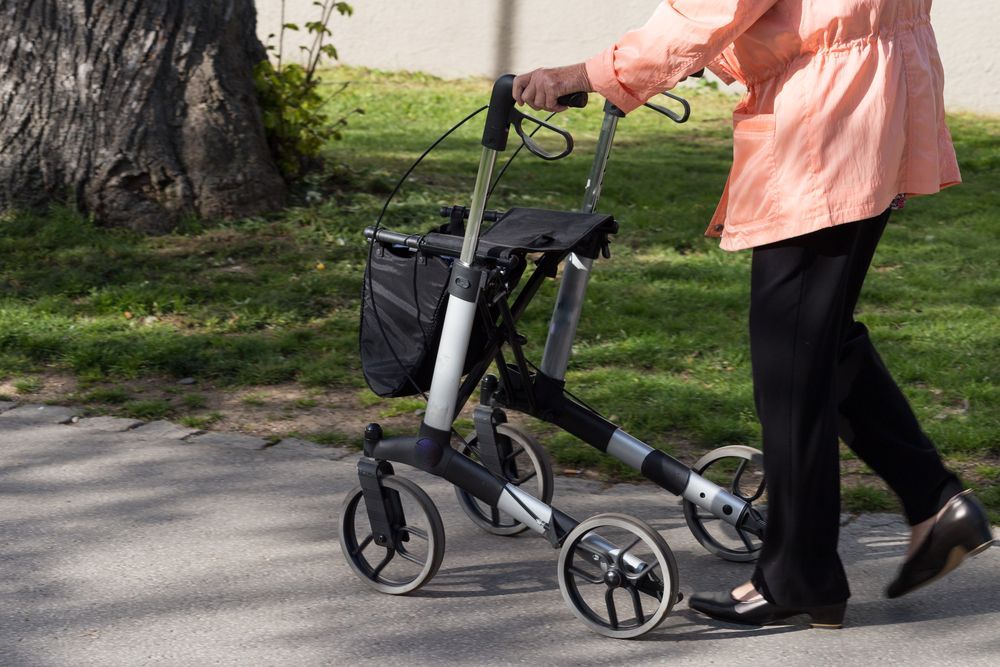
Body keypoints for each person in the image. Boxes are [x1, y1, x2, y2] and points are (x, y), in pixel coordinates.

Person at [513, 0, 994, 628]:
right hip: (876, 90)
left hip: (826, 115)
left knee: (791, 355)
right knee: (817, 336)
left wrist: (587, 73)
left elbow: (708, 10)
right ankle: (933, 502)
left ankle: (799, 576)